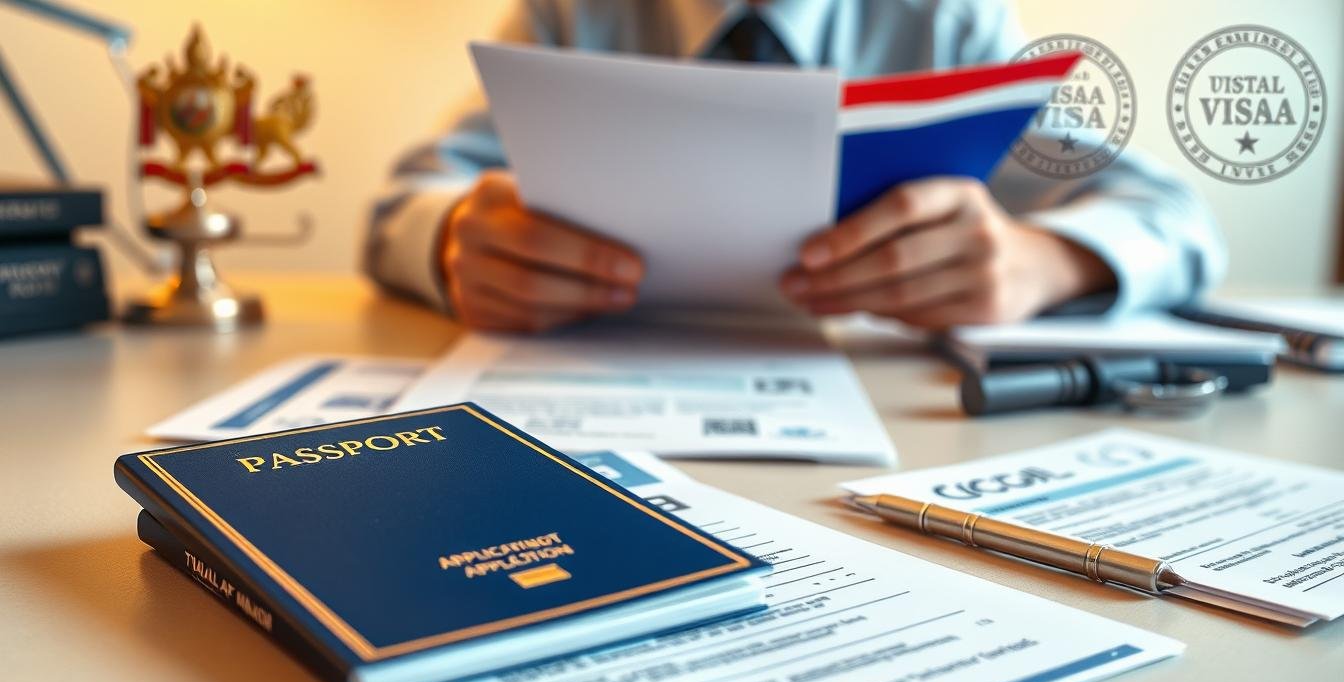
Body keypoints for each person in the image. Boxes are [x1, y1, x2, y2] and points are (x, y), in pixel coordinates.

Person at [365, 0, 1225, 333]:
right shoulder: (572, 15)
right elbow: (405, 203)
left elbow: (1172, 215)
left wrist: (1043, 262)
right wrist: (453, 239)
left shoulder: (948, 24)